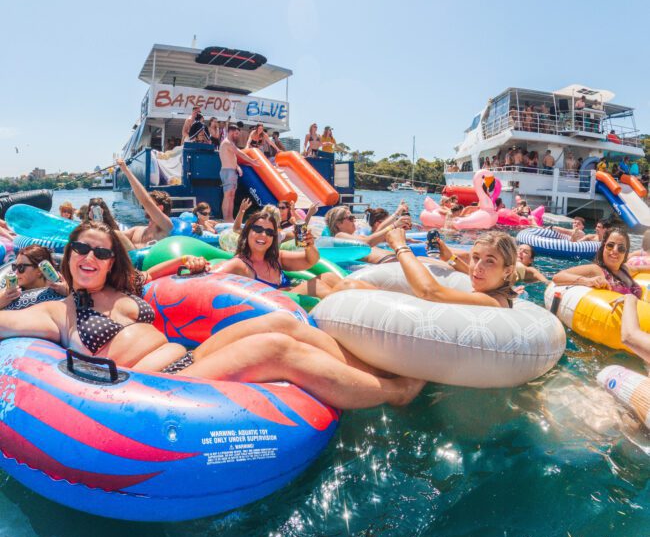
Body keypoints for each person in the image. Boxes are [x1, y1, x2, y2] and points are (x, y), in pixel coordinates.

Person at [0, 221, 424, 409]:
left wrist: (192, 267)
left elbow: (156, 272)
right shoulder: (59, 310)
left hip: (191, 358)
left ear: (112, 260)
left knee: (280, 322)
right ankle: (395, 394)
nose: (89, 256)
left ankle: (377, 372)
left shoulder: (123, 290)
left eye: (101, 251)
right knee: (275, 349)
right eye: (81, 249)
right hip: (156, 384)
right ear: (69, 255)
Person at [215, 210, 359, 300]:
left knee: (330, 277)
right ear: (247, 232)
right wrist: (195, 262)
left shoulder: (276, 258)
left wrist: (309, 245)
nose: (263, 235)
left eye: (270, 232)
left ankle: (375, 299)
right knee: (319, 286)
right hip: (276, 307)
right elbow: (210, 277)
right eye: (258, 229)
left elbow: (311, 260)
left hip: (291, 298)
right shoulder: (239, 264)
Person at [385, 229, 519, 308]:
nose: (477, 267)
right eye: (476, 257)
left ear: (508, 270)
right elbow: (469, 272)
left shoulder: (493, 302)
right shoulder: (496, 290)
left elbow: (429, 292)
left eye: (490, 261)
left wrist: (400, 246)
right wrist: (449, 257)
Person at [553, 228, 647, 295]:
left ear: (625, 252)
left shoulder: (626, 269)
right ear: (603, 247)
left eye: (621, 248)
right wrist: (588, 280)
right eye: (610, 245)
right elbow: (558, 277)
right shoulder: (596, 269)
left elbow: (641, 268)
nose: (615, 250)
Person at [116, 158, 173, 247]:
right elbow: (113, 237)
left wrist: (126, 170)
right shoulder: (136, 230)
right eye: (144, 206)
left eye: (148, 206)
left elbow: (146, 201)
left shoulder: (166, 227)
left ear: (160, 208)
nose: (144, 207)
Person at [326, 206, 410, 264]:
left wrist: (397, 220)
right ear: (338, 224)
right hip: (389, 262)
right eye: (351, 218)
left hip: (395, 260)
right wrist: (394, 225)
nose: (354, 220)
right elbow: (366, 243)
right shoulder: (339, 236)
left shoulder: (355, 237)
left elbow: (376, 233)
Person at [0, 245, 68, 310]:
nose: (16, 272)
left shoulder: (62, 288)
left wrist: (68, 291)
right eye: (15, 267)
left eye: (21, 267)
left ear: (39, 270)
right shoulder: (8, 290)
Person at [219, 124, 261, 222]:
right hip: (227, 172)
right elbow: (239, 153)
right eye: (236, 133)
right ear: (231, 131)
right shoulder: (227, 143)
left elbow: (231, 157)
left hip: (231, 171)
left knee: (231, 196)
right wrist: (252, 161)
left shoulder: (229, 143)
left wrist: (237, 167)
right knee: (227, 195)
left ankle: (230, 217)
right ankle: (226, 218)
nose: (237, 135)